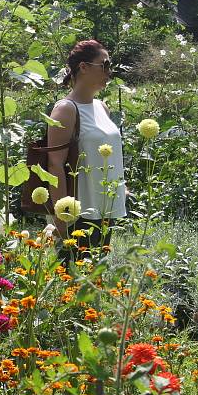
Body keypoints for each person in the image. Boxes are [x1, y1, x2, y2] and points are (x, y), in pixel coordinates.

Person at [47, 40, 126, 256]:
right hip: (79, 215)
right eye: (104, 65)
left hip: (106, 208)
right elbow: (54, 165)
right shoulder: (66, 109)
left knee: (96, 278)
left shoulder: (102, 107)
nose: (109, 71)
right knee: (73, 280)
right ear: (83, 67)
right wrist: (62, 215)